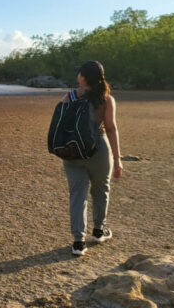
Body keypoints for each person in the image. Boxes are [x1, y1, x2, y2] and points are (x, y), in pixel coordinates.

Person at [60, 60, 123, 256]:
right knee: (101, 190)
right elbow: (111, 128)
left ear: (83, 77)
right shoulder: (107, 99)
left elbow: (61, 124)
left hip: (73, 150)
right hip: (99, 148)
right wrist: (118, 159)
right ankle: (98, 231)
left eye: (79, 73)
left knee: (77, 195)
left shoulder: (69, 97)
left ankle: (78, 242)